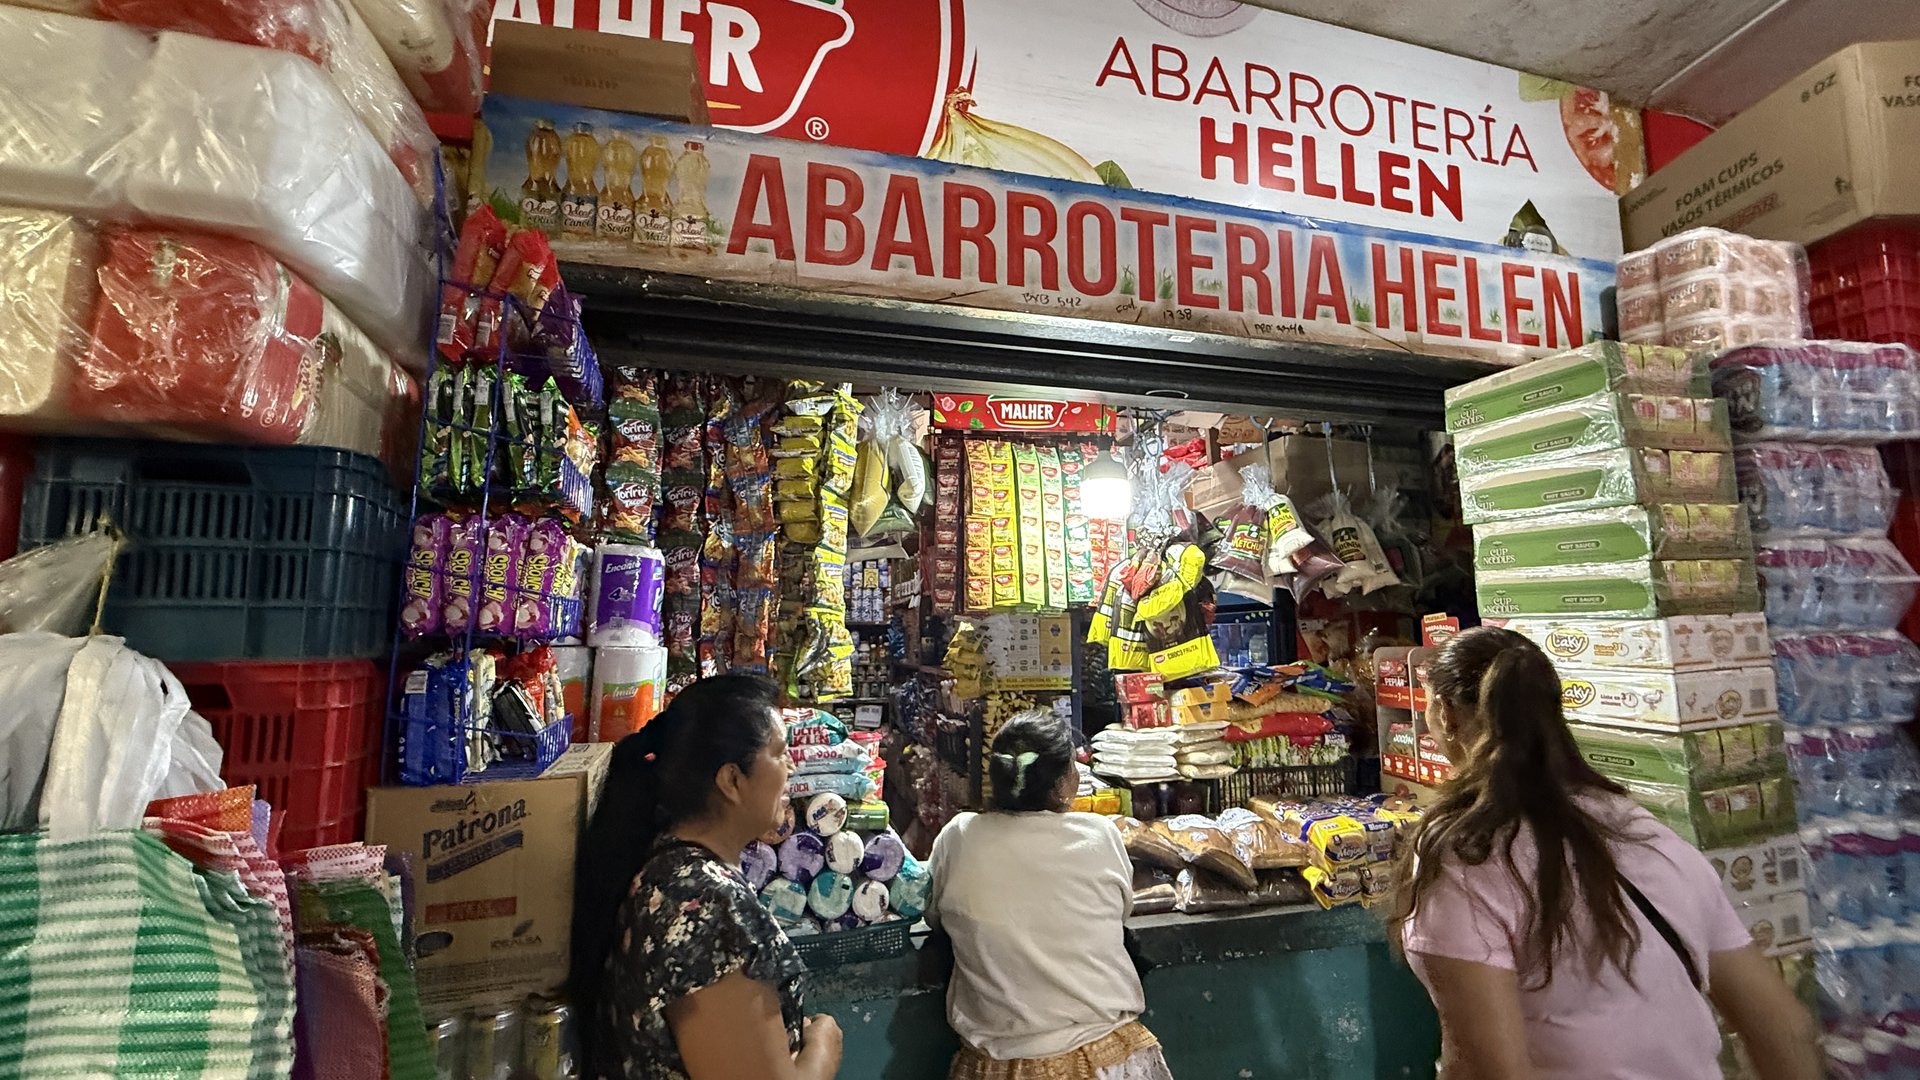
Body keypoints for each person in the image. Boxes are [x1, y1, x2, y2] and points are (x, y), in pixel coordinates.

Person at [1388, 626, 1820, 1080]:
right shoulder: (1645, 831)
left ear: (1444, 714)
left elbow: (1487, 1070)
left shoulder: (1465, 855)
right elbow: (1785, 1027)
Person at [569, 674, 844, 1080]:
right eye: (780, 753)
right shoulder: (706, 906)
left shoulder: (675, 868)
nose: (791, 766)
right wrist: (822, 1045)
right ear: (732, 780)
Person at [927, 710, 1172, 1080]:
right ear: (1062, 783)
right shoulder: (1098, 834)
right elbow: (1120, 915)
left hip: (993, 1065)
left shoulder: (957, 837)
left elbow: (934, 917)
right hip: (1106, 1058)